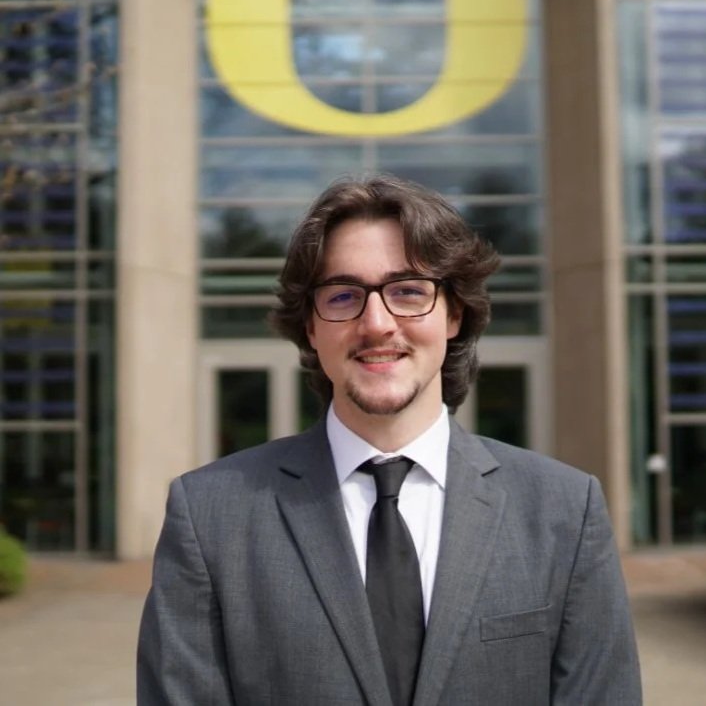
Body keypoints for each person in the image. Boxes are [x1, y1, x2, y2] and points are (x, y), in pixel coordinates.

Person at [137, 174, 642, 705]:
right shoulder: (209, 516)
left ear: (454, 313)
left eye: (407, 291)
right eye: (343, 295)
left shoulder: (564, 509)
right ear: (310, 326)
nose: (376, 323)